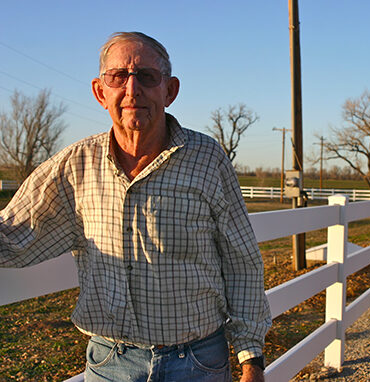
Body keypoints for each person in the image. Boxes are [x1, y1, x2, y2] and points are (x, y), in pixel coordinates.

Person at [0, 32, 271, 382]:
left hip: (198, 361)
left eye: (146, 76)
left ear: (169, 90)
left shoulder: (207, 159)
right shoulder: (75, 165)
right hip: (111, 363)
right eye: (118, 77)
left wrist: (251, 359)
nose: (132, 89)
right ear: (101, 92)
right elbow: (15, 234)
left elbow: (242, 262)